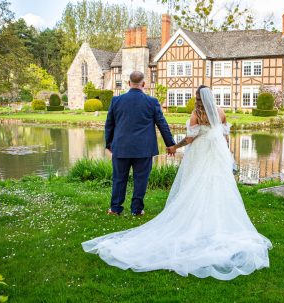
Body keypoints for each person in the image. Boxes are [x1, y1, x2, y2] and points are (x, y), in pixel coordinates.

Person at [83, 85, 272, 280]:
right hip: (216, 155)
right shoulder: (221, 112)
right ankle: (212, 218)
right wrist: (227, 156)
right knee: (216, 186)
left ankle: (193, 217)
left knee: (195, 184)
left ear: (197, 97)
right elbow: (224, 138)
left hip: (199, 153)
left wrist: (175, 146)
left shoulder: (196, 114)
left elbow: (190, 139)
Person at [104, 71, 175, 216]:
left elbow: (109, 125)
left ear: (129, 83)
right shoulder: (152, 102)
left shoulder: (116, 101)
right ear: (143, 84)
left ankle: (115, 208)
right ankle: (136, 210)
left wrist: (109, 144)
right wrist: (170, 144)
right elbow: (162, 124)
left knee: (119, 178)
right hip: (143, 149)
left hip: (121, 147)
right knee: (141, 179)